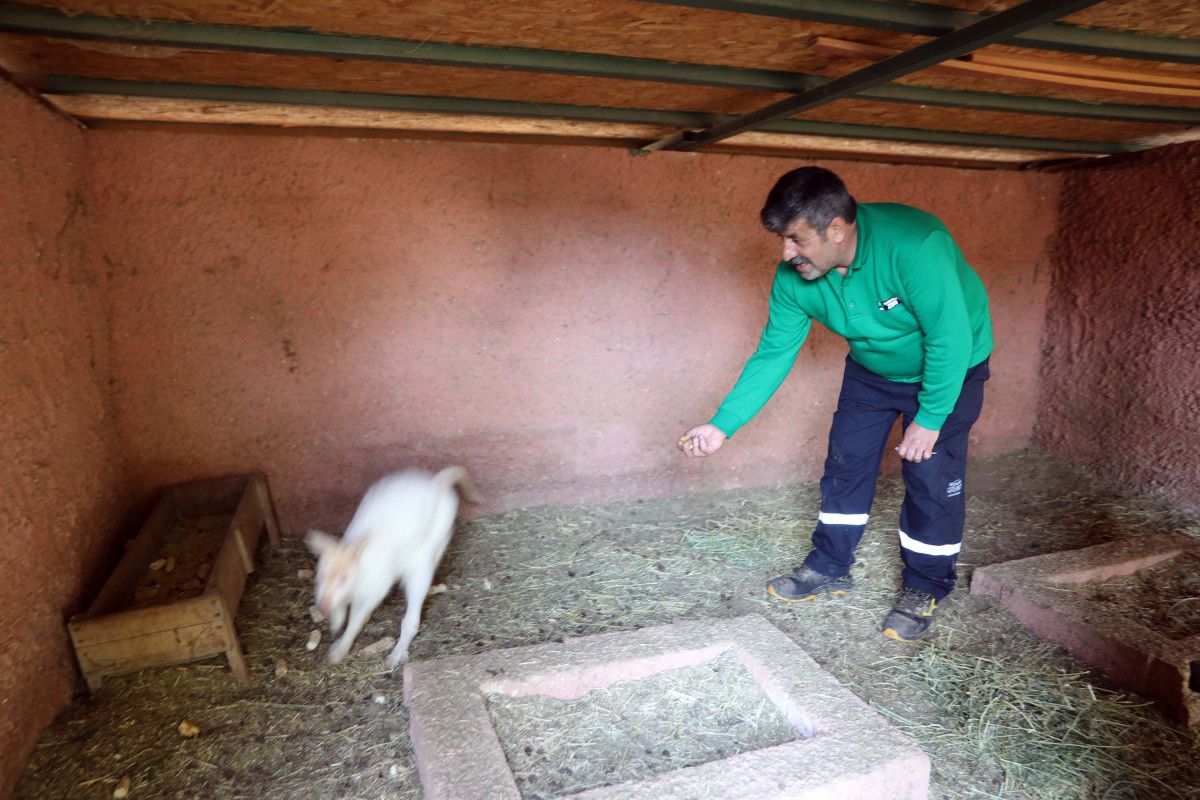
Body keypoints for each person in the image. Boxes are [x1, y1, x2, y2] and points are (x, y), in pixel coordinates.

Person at [677, 166, 992, 642]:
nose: (786, 253)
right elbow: (774, 352)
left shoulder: (914, 245)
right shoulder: (795, 277)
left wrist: (929, 420)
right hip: (872, 371)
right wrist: (723, 424)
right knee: (846, 464)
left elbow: (949, 337)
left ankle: (925, 586)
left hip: (951, 367)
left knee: (930, 478)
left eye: (797, 240)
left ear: (838, 229)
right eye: (783, 240)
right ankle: (829, 565)